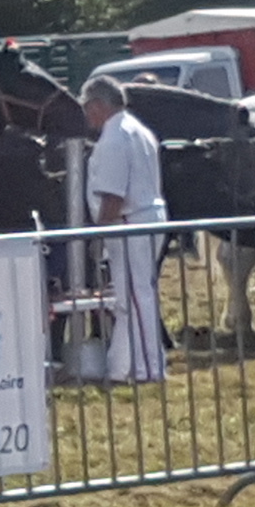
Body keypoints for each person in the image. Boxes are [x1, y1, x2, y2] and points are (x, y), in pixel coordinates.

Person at [81, 75, 168, 383]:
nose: (86, 115)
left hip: (129, 222)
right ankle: (122, 366)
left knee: (135, 295)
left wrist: (98, 235)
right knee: (133, 295)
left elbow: (113, 196)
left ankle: (148, 368)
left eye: (87, 107)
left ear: (98, 104)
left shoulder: (113, 139)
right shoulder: (139, 130)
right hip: (148, 216)